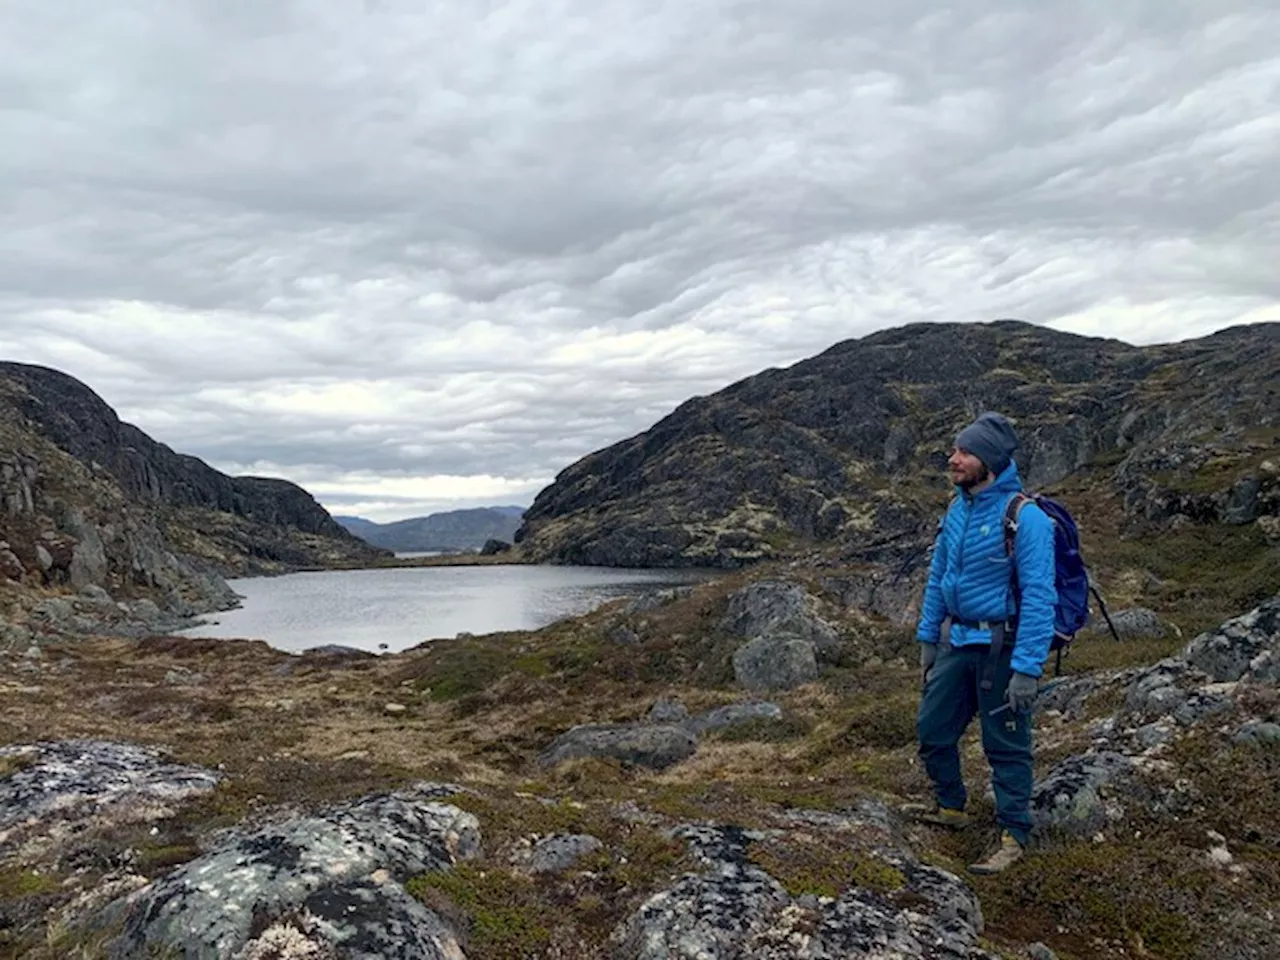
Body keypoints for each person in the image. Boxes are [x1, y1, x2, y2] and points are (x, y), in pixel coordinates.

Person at [904, 411, 1057, 875]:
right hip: (957, 642)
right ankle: (951, 807)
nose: (954, 459)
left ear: (988, 461)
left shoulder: (1024, 518)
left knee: (1006, 746)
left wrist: (1028, 668)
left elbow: (1039, 594)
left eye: (965, 452)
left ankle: (1014, 834)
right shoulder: (957, 509)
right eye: (955, 449)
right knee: (932, 730)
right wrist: (929, 637)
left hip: (1003, 647)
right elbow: (938, 577)